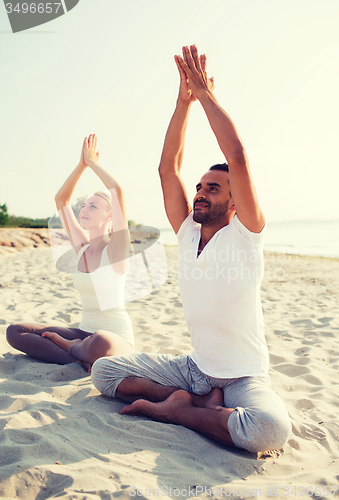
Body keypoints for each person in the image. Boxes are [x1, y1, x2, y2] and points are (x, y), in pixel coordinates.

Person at [90, 46, 291, 453]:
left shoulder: (246, 235)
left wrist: (204, 95)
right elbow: (168, 168)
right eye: (199, 187)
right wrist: (182, 103)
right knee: (104, 372)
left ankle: (175, 411)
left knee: (270, 430)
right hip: (194, 370)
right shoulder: (186, 232)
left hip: (242, 379)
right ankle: (199, 404)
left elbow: (238, 156)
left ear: (235, 202)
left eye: (212, 188)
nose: (199, 193)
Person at [6, 134, 134, 369]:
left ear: (110, 216)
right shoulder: (82, 248)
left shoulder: (116, 249)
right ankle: (76, 353)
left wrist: (93, 162)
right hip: (82, 331)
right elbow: (61, 199)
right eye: (84, 205)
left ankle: (72, 349)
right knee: (15, 332)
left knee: (100, 341)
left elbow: (117, 191)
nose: (83, 210)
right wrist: (81, 165)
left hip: (113, 338)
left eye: (92, 206)